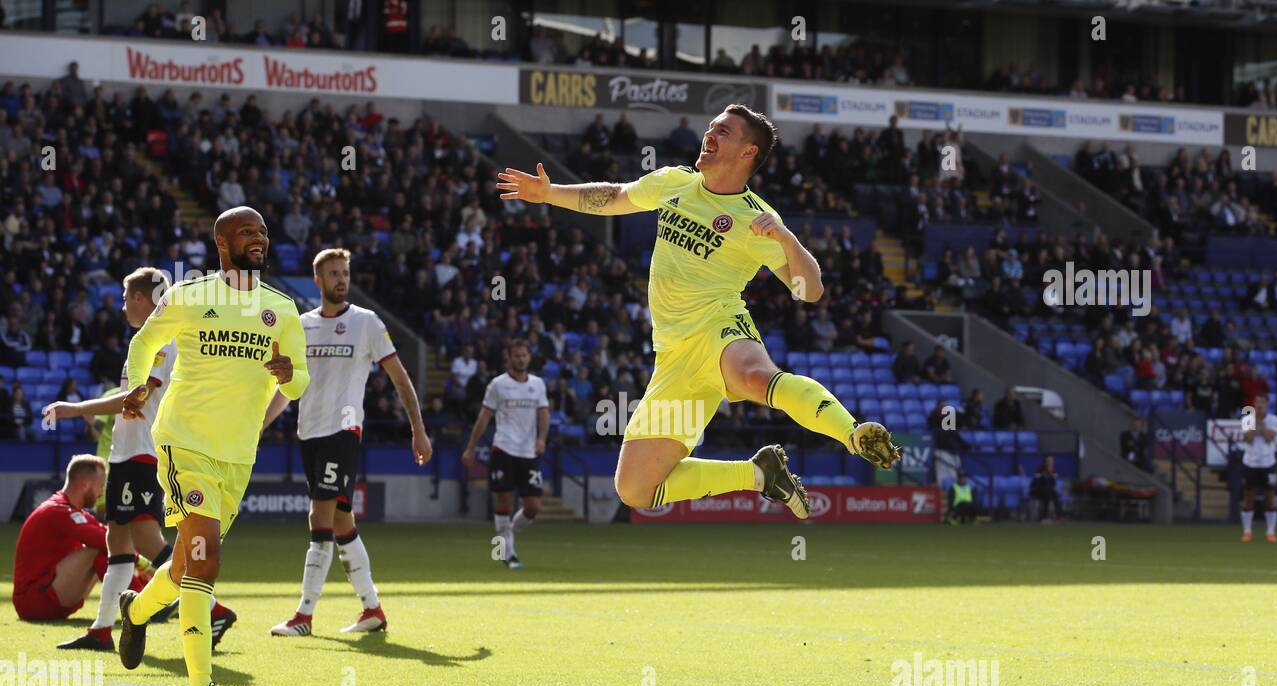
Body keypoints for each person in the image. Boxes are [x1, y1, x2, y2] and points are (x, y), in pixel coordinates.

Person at [496, 104, 900, 520]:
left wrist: (787, 239)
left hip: (719, 324)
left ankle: (852, 434)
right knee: (635, 488)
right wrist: (549, 193)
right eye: (711, 127)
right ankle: (759, 475)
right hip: (673, 355)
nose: (709, 134)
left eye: (723, 131)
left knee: (754, 378)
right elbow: (615, 196)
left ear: (748, 153)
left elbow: (809, 291)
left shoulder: (756, 218)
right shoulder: (673, 182)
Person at [115, 206, 309, 686]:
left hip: (237, 455)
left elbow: (298, 384)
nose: (259, 239)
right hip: (186, 444)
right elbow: (143, 342)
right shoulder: (190, 296)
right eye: (248, 232)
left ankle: (134, 611)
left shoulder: (281, 309)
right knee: (205, 559)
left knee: (184, 568)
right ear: (222, 242)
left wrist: (290, 374)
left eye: (264, 231)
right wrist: (134, 385)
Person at [42, 267, 235, 651]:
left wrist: (76, 408)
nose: (124, 305)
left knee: (147, 540)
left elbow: (138, 396)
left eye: (129, 297)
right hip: (125, 453)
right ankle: (101, 630)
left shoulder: (163, 341)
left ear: (145, 299)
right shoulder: (146, 341)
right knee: (119, 544)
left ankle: (213, 609)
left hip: (144, 453)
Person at [265, 248, 430, 637]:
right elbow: (287, 388)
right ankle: (372, 609)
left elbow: (400, 378)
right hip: (310, 433)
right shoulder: (302, 326)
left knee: (318, 517)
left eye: (345, 273)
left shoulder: (366, 323)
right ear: (318, 280)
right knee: (342, 521)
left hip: (344, 431)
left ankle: (304, 616)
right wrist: (259, 426)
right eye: (334, 273)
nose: (341, 279)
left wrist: (417, 429)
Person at [460, 340, 549, 568]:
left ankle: (507, 535)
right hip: (504, 449)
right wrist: (471, 447)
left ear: (529, 357)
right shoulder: (497, 385)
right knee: (504, 501)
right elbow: (483, 418)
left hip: (529, 452)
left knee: (533, 507)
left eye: (524, 355)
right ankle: (506, 554)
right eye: (516, 356)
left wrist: (541, 439)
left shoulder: (538, 385)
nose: (520, 359)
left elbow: (544, 415)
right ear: (508, 359)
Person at [12, 455, 109, 621]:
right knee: (99, 546)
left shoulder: (70, 510)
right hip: (33, 602)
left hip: (44, 597)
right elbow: (104, 539)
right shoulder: (57, 511)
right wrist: (139, 558)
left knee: (106, 546)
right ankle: (138, 601)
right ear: (85, 485)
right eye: (100, 486)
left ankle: (139, 600)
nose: (101, 493)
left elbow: (106, 534)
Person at [1239, 394, 1277, 543]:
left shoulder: (1274, 420)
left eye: (1262, 403)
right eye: (1257, 402)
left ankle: (1270, 532)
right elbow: (1248, 438)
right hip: (1250, 463)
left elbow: (1269, 437)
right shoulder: (1247, 418)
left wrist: (1260, 422)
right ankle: (1247, 531)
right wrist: (1255, 419)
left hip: (1268, 463)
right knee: (1248, 498)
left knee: (1270, 498)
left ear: (1267, 405)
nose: (1259, 405)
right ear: (1254, 404)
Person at [1031, 456, 1062, 523]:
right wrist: (1045, 474)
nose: (1050, 462)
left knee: (1056, 496)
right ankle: (1045, 517)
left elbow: (1054, 480)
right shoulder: (1040, 468)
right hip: (1038, 490)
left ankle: (1058, 516)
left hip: (1049, 491)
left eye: (1051, 460)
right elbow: (1036, 480)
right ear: (1045, 461)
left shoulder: (1054, 470)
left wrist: (1050, 473)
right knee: (1047, 495)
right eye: (1049, 460)